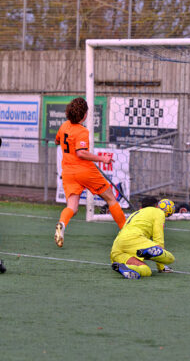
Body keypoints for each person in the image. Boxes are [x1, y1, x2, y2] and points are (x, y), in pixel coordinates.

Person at [54, 97, 126, 247]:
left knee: (72, 207)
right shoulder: (82, 131)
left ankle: (62, 224)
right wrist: (102, 159)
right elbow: (81, 153)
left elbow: (57, 141)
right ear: (85, 114)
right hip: (84, 171)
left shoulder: (64, 126)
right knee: (111, 198)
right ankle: (127, 232)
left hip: (68, 172)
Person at [110, 196, 175, 279]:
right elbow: (158, 238)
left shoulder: (135, 213)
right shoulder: (158, 212)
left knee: (146, 270)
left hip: (117, 246)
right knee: (170, 258)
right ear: (156, 206)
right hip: (134, 238)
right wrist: (161, 267)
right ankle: (148, 252)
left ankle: (126, 268)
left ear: (142, 206)